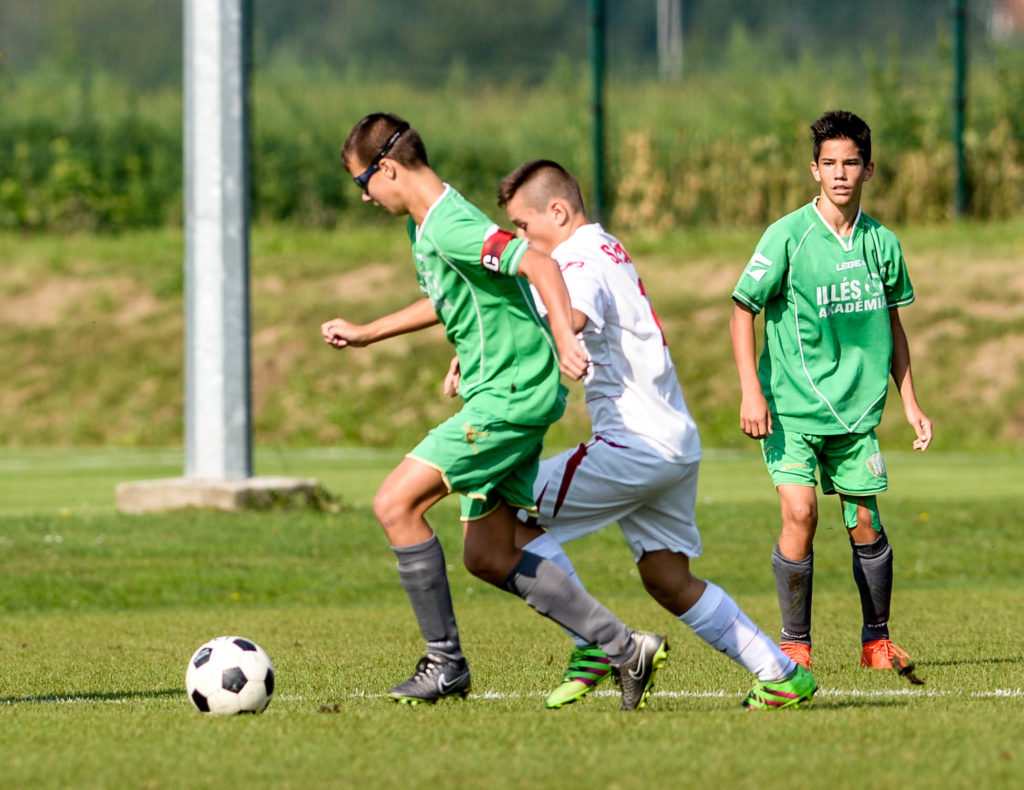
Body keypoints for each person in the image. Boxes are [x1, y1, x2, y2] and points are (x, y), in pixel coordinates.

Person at [321, 113, 668, 710]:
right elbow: (455, 296)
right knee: (488, 553)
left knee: (395, 503)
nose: (363, 198)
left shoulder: (451, 222)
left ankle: (445, 664)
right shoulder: (428, 224)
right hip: (496, 387)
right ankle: (622, 646)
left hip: (513, 395)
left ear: (390, 169)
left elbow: (538, 265)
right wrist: (370, 332)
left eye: (362, 183)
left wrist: (564, 337)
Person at [445, 159, 817, 711]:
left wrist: (487, 357)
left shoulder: (575, 258)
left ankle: (592, 642)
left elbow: (570, 315)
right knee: (667, 578)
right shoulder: (605, 245)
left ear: (558, 212)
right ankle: (780, 672)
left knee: (500, 509)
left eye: (523, 226)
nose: (520, 240)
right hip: (673, 442)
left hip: (634, 446)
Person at [729, 110, 932, 682]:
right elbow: (743, 310)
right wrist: (751, 391)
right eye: (829, 164)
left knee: (864, 520)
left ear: (869, 169)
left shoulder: (882, 244)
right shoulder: (786, 236)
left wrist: (911, 402)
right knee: (801, 512)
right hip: (790, 408)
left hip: (857, 411)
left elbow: (893, 327)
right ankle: (794, 647)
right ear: (814, 170)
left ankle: (877, 641)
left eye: (851, 163)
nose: (840, 174)